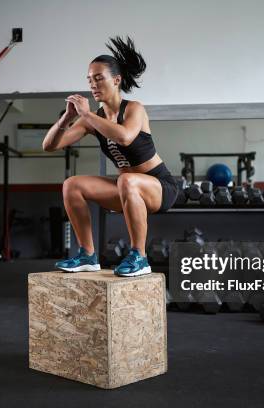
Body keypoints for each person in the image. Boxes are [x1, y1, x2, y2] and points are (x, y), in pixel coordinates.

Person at [42, 36, 178, 277]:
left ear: (116, 80)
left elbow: (125, 137)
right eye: (89, 80)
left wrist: (87, 115)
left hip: (159, 187)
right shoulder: (90, 120)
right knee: (72, 185)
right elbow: (50, 145)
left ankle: (140, 257)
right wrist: (67, 118)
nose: (93, 85)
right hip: (126, 188)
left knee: (127, 180)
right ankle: (87, 255)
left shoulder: (134, 108)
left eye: (98, 78)